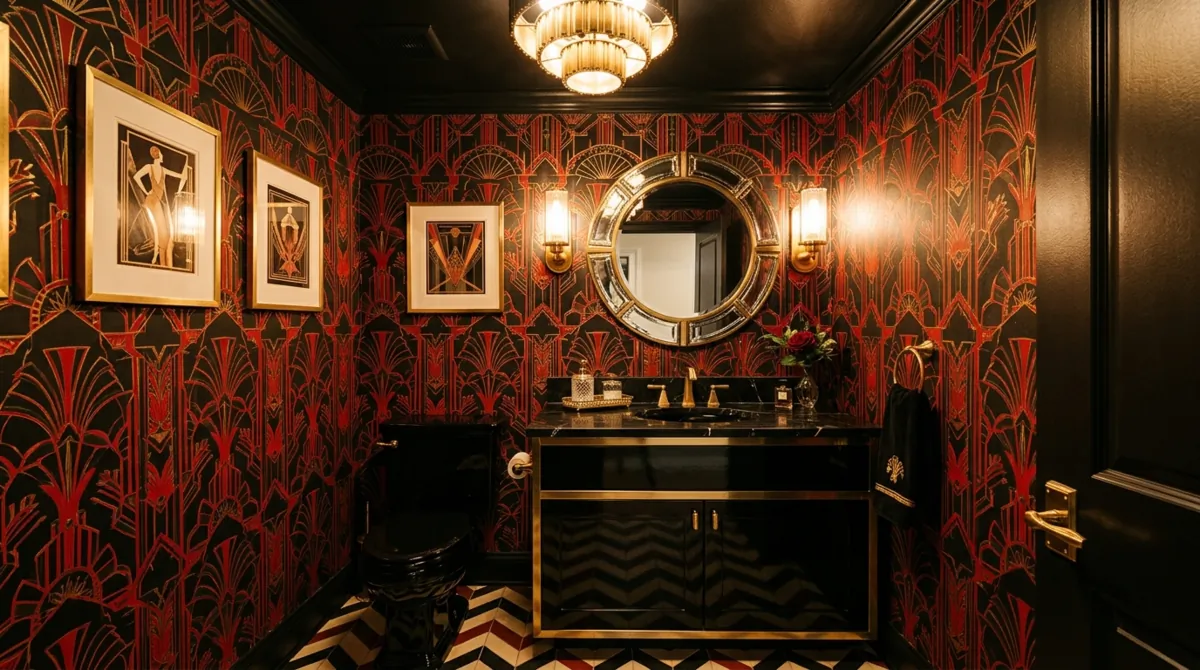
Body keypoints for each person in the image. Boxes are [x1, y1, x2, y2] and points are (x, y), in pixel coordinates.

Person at [133, 146, 188, 268]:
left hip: (156, 200)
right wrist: (146, 192)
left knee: (165, 237)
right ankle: (160, 263)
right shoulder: (150, 167)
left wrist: (186, 166)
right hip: (152, 200)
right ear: (159, 155)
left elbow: (182, 177)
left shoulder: (163, 170)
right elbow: (136, 177)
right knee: (163, 235)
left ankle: (163, 265)